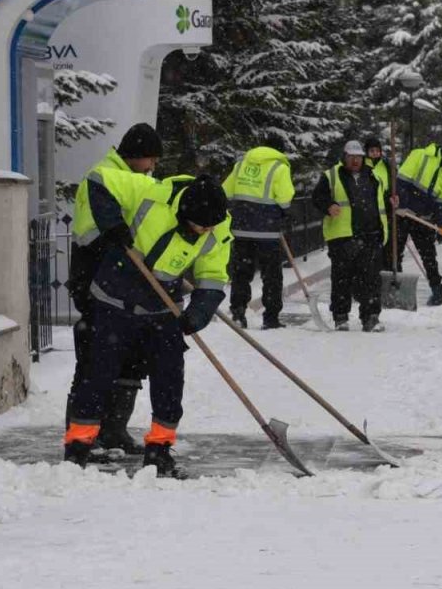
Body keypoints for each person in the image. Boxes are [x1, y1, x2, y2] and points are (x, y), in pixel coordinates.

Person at [65, 170, 232, 477]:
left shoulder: (217, 227)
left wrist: (198, 314)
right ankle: (78, 448)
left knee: (169, 381)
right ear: (183, 214)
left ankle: (159, 449)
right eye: (200, 225)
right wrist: (112, 224)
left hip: (160, 309)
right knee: (96, 376)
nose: (205, 231)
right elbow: (97, 180)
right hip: (113, 300)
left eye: (211, 226)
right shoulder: (151, 193)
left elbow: (213, 276)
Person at [65, 123, 161, 455]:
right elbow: (104, 230)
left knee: (130, 354)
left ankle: (114, 429)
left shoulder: (131, 178)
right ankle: (82, 433)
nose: (152, 167)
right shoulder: (105, 176)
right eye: (150, 159)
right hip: (95, 273)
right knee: (96, 357)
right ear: (136, 156)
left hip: (122, 276)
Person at [312, 140, 388, 331]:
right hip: (343, 236)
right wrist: (328, 206)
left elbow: (382, 200)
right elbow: (318, 197)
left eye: (358, 157)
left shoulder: (373, 177)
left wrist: (392, 201)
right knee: (341, 278)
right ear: (344, 157)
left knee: (370, 279)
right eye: (351, 157)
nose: (355, 161)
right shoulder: (331, 176)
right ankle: (340, 316)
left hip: (371, 234)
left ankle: (370, 317)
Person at [222, 135, 295, 329]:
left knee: (241, 273)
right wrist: (284, 212)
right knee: (271, 275)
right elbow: (285, 198)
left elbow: (226, 191)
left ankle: (238, 313)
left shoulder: (240, 165)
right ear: (279, 151)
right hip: (267, 231)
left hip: (241, 229)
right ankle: (270, 317)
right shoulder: (280, 167)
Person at [395, 139, 442, 306]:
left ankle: (437, 291)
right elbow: (401, 182)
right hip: (404, 214)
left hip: (424, 218)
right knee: (394, 252)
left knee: (429, 257)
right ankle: (394, 288)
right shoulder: (421, 155)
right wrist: (403, 206)